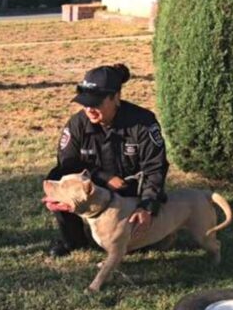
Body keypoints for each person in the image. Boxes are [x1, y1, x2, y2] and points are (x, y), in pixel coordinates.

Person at [44, 63, 169, 257]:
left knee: (144, 245)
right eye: (85, 103)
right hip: (93, 186)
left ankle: (142, 234)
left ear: (116, 97)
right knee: (57, 176)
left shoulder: (143, 123)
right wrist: (103, 177)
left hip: (130, 190)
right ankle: (74, 240)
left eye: (96, 103)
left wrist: (147, 206)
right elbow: (67, 163)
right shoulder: (77, 123)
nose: (89, 109)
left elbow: (156, 168)